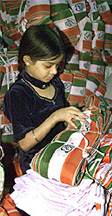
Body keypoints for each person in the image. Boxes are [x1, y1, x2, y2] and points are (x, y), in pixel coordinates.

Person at [3, 25, 88, 174]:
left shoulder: (54, 83)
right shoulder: (18, 95)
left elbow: (62, 121)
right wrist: (55, 117)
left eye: (57, 65)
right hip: (37, 166)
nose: (54, 71)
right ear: (28, 60)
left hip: (60, 154)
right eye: (48, 65)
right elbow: (24, 144)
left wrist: (78, 115)